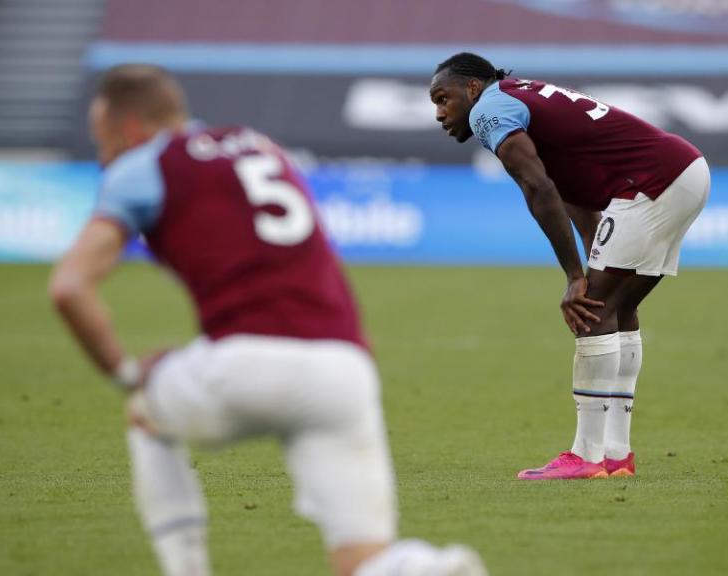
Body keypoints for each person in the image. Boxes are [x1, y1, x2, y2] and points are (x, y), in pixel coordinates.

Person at [49, 64, 486, 576]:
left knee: (145, 411)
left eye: (103, 144)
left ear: (130, 130)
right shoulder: (256, 143)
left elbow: (69, 286)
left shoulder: (144, 164)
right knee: (362, 562)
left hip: (247, 360)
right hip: (343, 368)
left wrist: (126, 375)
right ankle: (434, 569)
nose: (103, 159)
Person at [429, 53, 710, 480]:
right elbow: (571, 194)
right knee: (616, 309)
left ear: (471, 88)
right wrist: (590, 260)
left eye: (442, 98)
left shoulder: (489, 107)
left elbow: (537, 186)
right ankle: (616, 454)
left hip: (650, 182)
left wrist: (576, 278)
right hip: (681, 171)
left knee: (590, 308)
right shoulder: (522, 98)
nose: (439, 113)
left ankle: (586, 456)